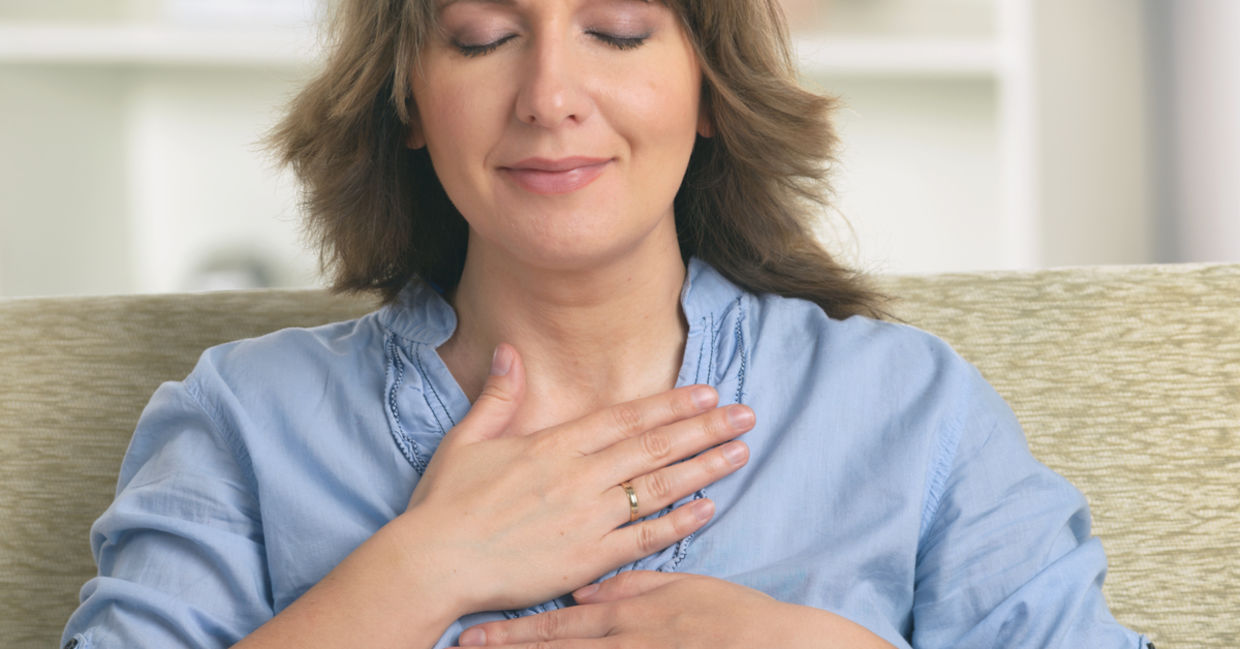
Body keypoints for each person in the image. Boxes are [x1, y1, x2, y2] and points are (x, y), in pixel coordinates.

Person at [63, 1, 1153, 648]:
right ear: (405, 100)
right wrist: (415, 573)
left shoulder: (908, 409)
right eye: (485, 36)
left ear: (710, 87)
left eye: (618, 30)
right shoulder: (246, 419)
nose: (549, 93)